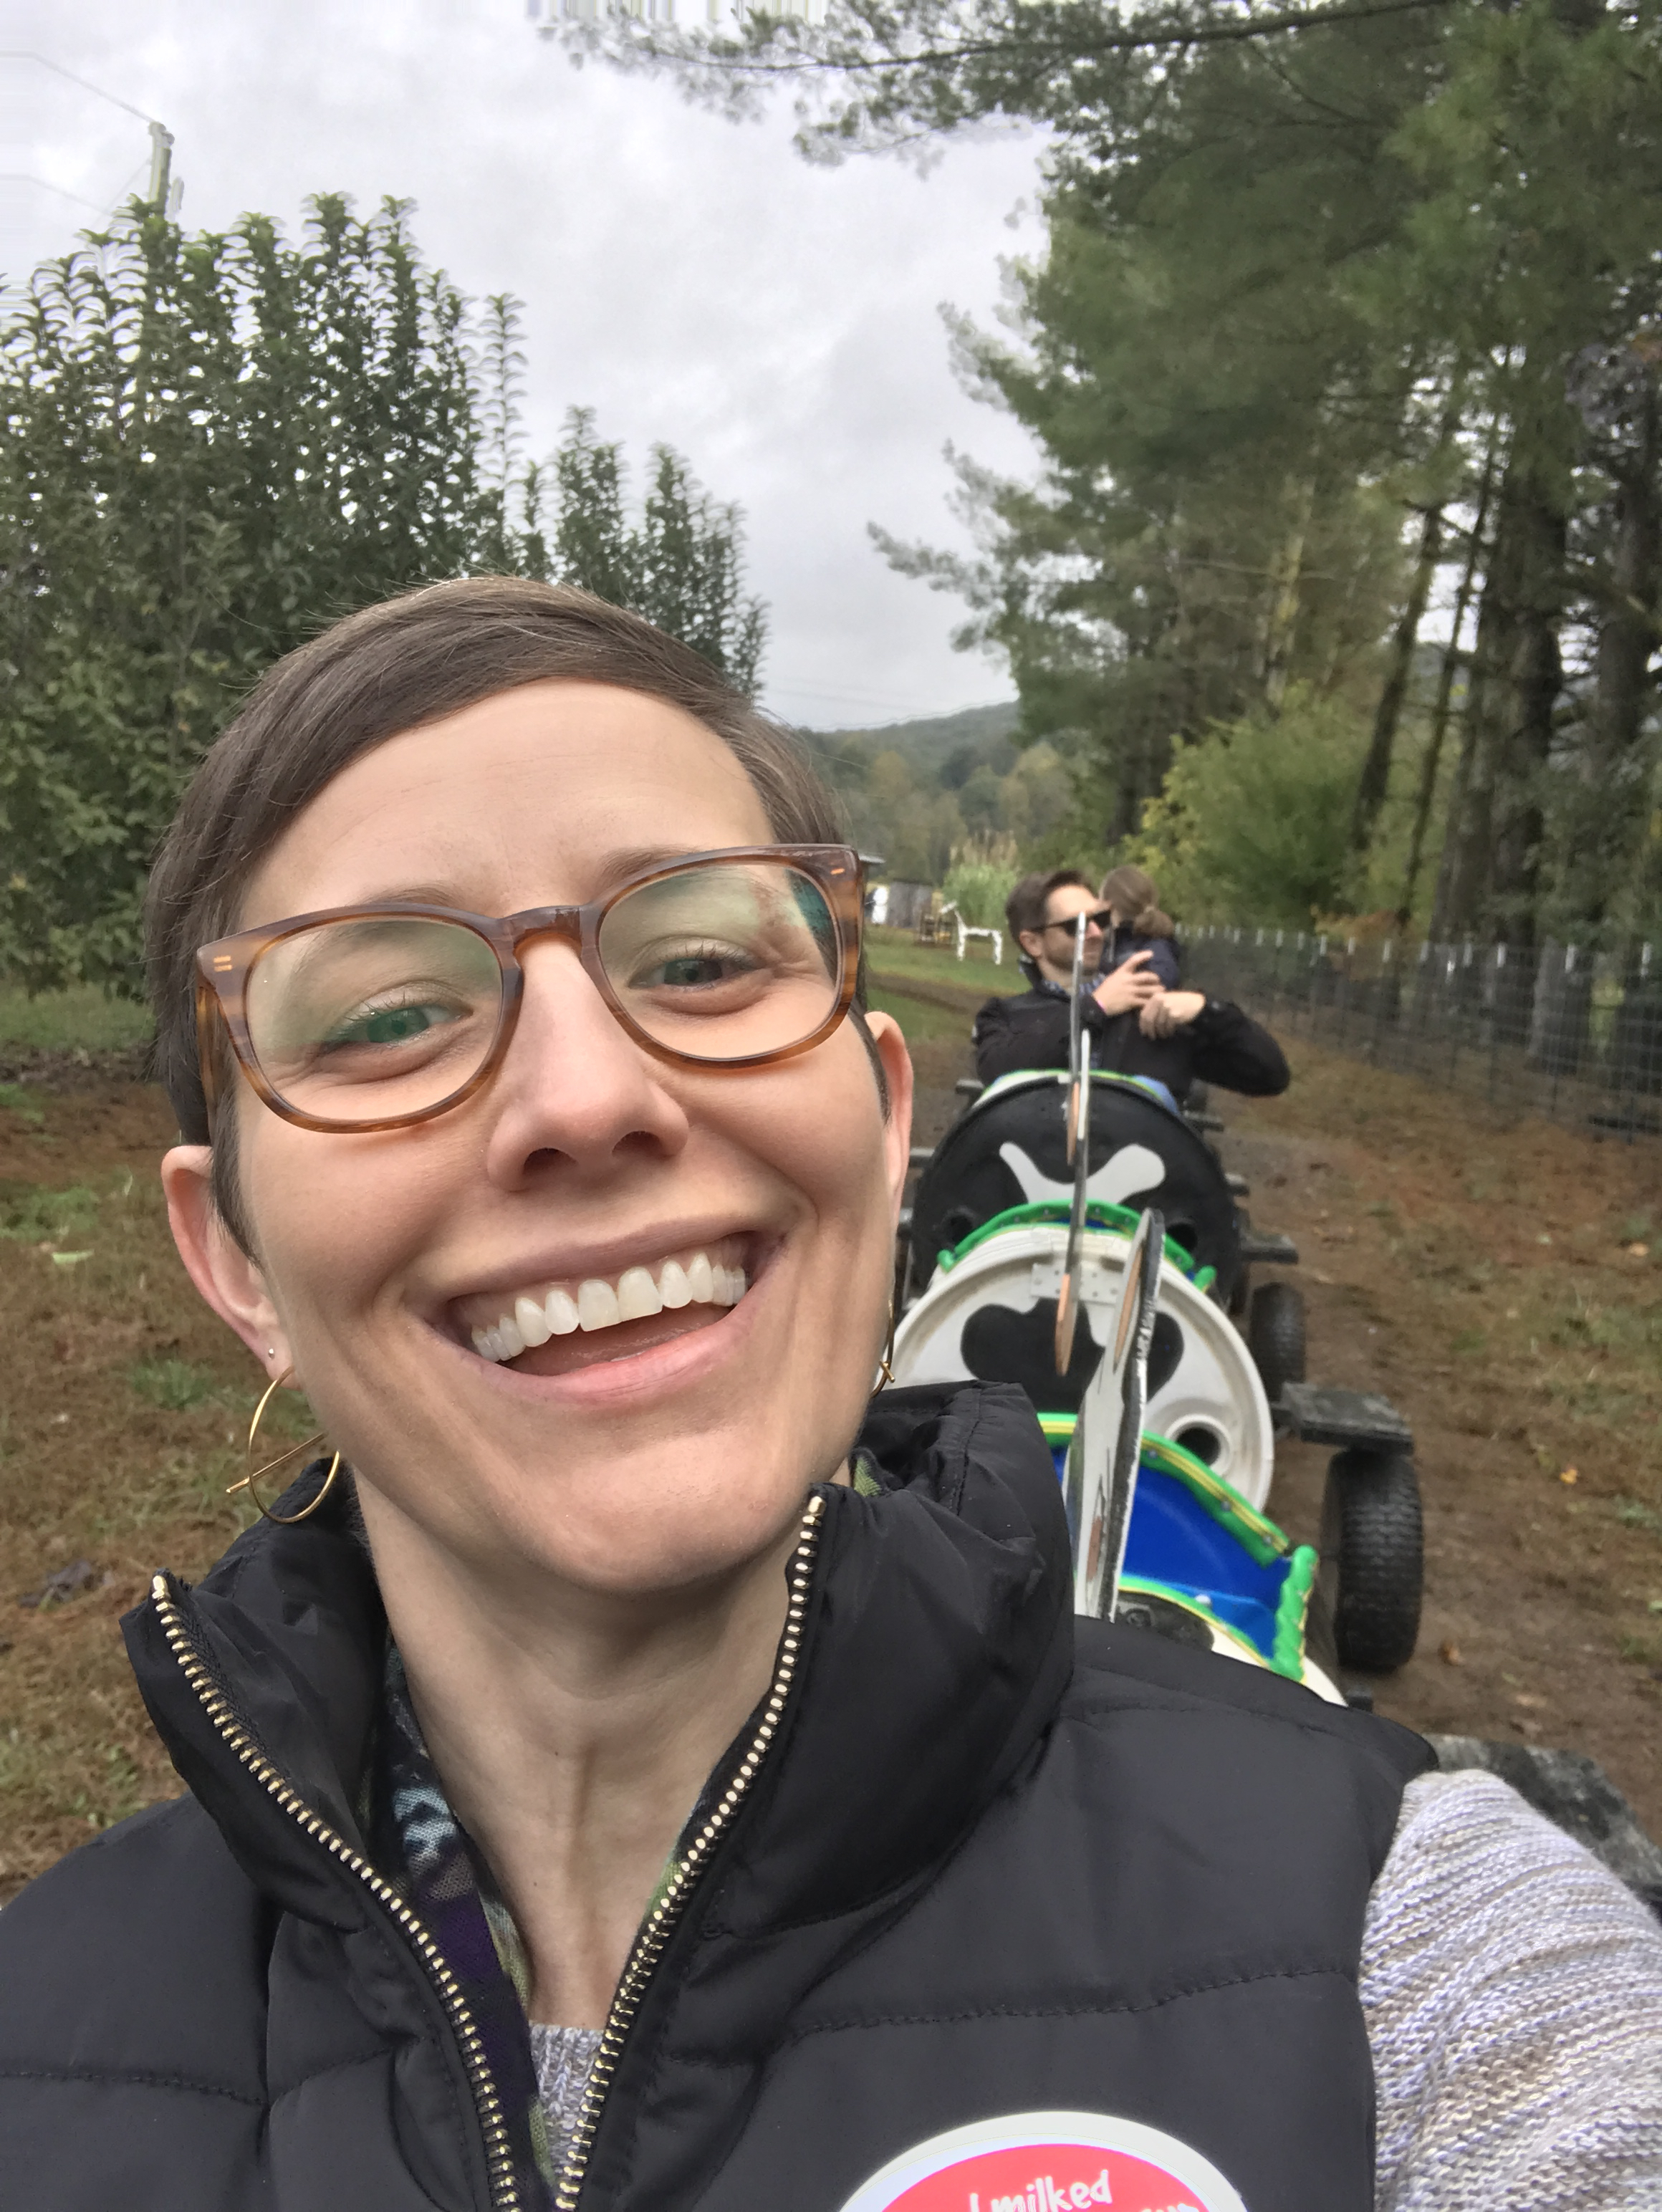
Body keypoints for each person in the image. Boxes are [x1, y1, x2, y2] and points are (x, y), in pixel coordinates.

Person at [1, 578, 1658, 2212]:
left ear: (877, 1132)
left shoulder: (1395, 1943)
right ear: (232, 1257)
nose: (583, 1093)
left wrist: (1186, 1018)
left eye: (698, 961)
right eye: (384, 1016)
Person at [972, 867, 1289, 1101]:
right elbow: (999, 1073)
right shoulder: (1004, 1016)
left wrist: (1207, 1009)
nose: (1096, 933)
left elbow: (1270, 1075)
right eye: (1076, 926)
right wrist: (1094, 1008)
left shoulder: (1150, 1011)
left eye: (1100, 920)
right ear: (1033, 943)